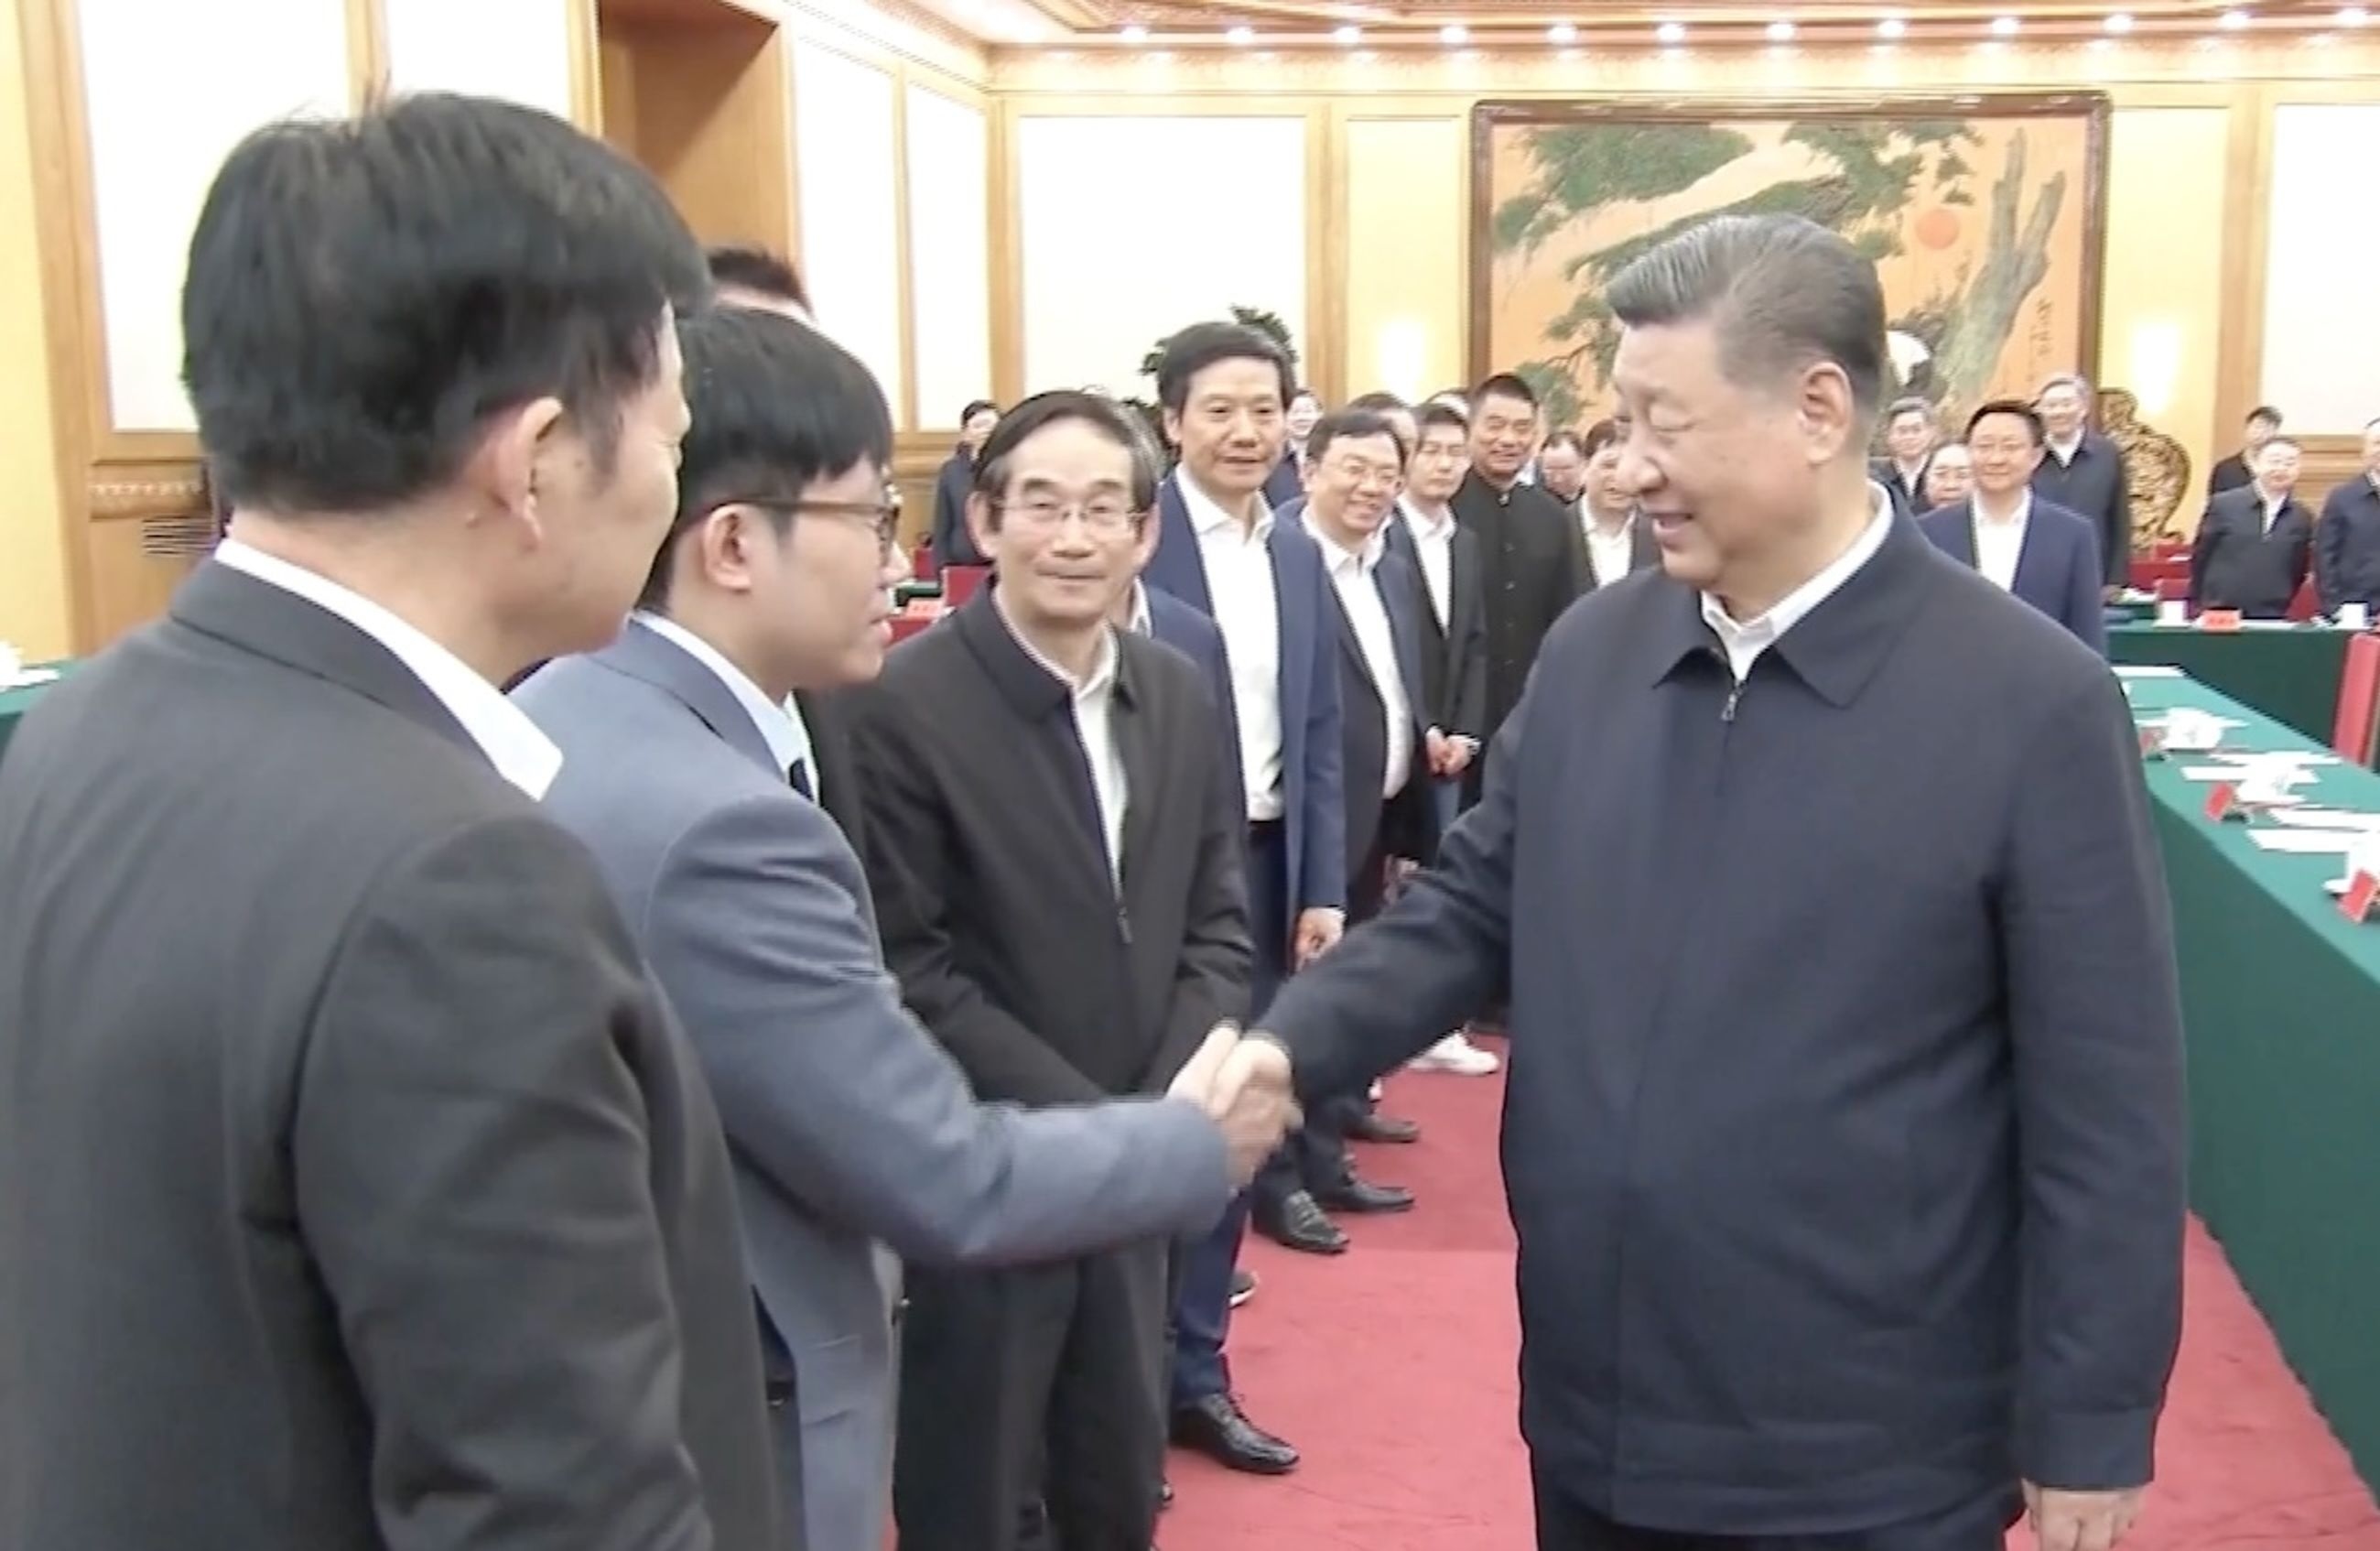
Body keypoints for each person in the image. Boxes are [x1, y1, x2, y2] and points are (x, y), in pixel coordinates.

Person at [1213, 213, 2187, 1551]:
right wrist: (1287, 1049)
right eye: (1618, 424)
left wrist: (2091, 1415)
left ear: (1818, 408)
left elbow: (2107, 1098)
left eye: (1663, 422)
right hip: (1598, 1402)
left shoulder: (2030, 700)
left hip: (1871, 1444)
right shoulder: (1601, 650)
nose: (1630, 465)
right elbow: (1473, 903)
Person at [0, 94, 784, 1550]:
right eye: (672, 434)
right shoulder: (456, 882)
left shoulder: (85, 725)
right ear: (538, 456)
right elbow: (551, 1507)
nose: (674, 487)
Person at [516, 319, 1284, 1551]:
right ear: (730, 541)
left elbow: (1211, 915)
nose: (900, 564)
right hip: (739, 1392)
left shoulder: (566, 707)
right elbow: (941, 1152)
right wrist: (1185, 1137)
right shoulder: (732, 812)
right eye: (874, 523)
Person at [849, 389, 1266, 1551]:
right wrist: (1108, 1129)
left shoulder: (1176, 688)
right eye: (1041, 504)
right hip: (988, 1169)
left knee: (1112, 1480)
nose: (1072, 536)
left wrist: (1155, 1110)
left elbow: (1219, 921)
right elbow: (912, 967)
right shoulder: (901, 707)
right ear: (984, 520)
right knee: (975, 1488)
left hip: (1137, 1164)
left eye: (1102, 509)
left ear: (1144, 531)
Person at [1141, 319, 1347, 1473]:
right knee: (1147, 1117)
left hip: (1266, 869)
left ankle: (1195, 1373)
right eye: (1217, 408)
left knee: (1234, 1122)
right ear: (1172, 419)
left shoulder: (1296, 550)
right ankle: (1117, 1389)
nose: (1244, 430)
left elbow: (1316, 725)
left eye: (1264, 409)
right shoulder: (1134, 531)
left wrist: (1320, 882)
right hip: (1158, 883)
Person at [1919, 401, 2107, 652]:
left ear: (2036, 456)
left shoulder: (2072, 535)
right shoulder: (1928, 533)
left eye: (2010, 447)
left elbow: (2087, 631)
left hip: (2043, 681)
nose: (1996, 458)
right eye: (1984, 446)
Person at [2189, 435, 2314, 619]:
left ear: (2298, 470)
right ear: (2255, 465)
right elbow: (2201, 556)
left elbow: (2298, 568)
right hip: (2221, 610)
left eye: (2289, 463)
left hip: (2273, 613)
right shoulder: (2224, 504)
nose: (2281, 469)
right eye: (2274, 461)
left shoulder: (2302, 516)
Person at [2314, 417, 2380, 620]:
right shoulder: (2342, 497)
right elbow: (2324, 557)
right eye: (2377, 443)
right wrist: (2335, 607)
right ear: (2364, 451)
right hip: (2354, 611)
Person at [931, 398, 1001, 570]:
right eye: (979, 425)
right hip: (962, 565)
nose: (986, 431)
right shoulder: (951, 471)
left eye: (991, 426)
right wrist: (941, 568)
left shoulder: (1010, 467)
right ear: (965, 434)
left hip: (1002, 565)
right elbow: (942, 523)